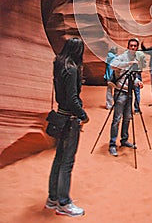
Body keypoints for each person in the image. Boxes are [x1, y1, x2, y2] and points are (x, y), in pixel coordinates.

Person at [45, 37, 89, 217]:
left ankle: (52, 198)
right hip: (70, 120)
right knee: (67, 162)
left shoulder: (59, 65)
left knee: (59, 158)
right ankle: (63, 203)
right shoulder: (71, 69)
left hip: (60, 116)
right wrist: (83, 115)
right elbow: (72, 99)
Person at [108, 38, 144, 156]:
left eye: (135, 46)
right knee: (117, 119)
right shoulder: (123, 57)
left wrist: (138, 82)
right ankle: (112, 144)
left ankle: (124, 140)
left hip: (129, 92)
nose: (133, 48)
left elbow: (134, 76)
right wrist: (128, 64)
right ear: (128, 47)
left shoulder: (136, 59)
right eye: (131, 46)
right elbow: (113, 65)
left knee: (128, 117)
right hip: (120, 92)